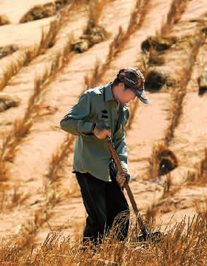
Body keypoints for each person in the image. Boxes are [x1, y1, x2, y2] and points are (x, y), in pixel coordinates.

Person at [60, 67, 149, 245]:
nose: (133, 99)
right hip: (89, 167)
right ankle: (89, 260)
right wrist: (92, 129)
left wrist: (122, 167)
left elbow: (119, 139)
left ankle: (115, 255)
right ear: (121, 86)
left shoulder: (123, 110)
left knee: (121, 214)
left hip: (110, 168)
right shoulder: (92, 97)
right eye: (133, 94)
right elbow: (66, 122)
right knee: (99, 219)